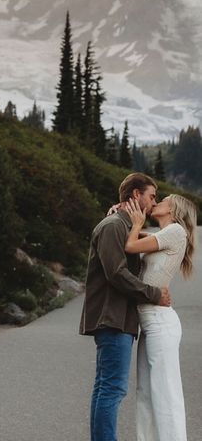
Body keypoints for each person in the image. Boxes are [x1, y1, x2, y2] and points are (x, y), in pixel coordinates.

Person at [79, 173, 171, 441]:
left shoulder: (123, 225)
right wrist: (154, 294)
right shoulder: (112, 226)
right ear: (135, 195)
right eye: (151, 196)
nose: (154, 203)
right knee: (112, 389)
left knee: (105, 387)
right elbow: (116, 274)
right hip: (112, 317)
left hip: (118, 318)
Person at [123, 193, 197, 441]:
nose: (156, 203)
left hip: (159, 323)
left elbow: (131, 245)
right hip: (150, 323)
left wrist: (135, 225)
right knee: (145, 392)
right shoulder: (165, 235)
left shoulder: (176, 231)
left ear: (173, 210)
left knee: (165, 393)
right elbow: (141, 239)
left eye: (162, 201)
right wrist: (122, 216)